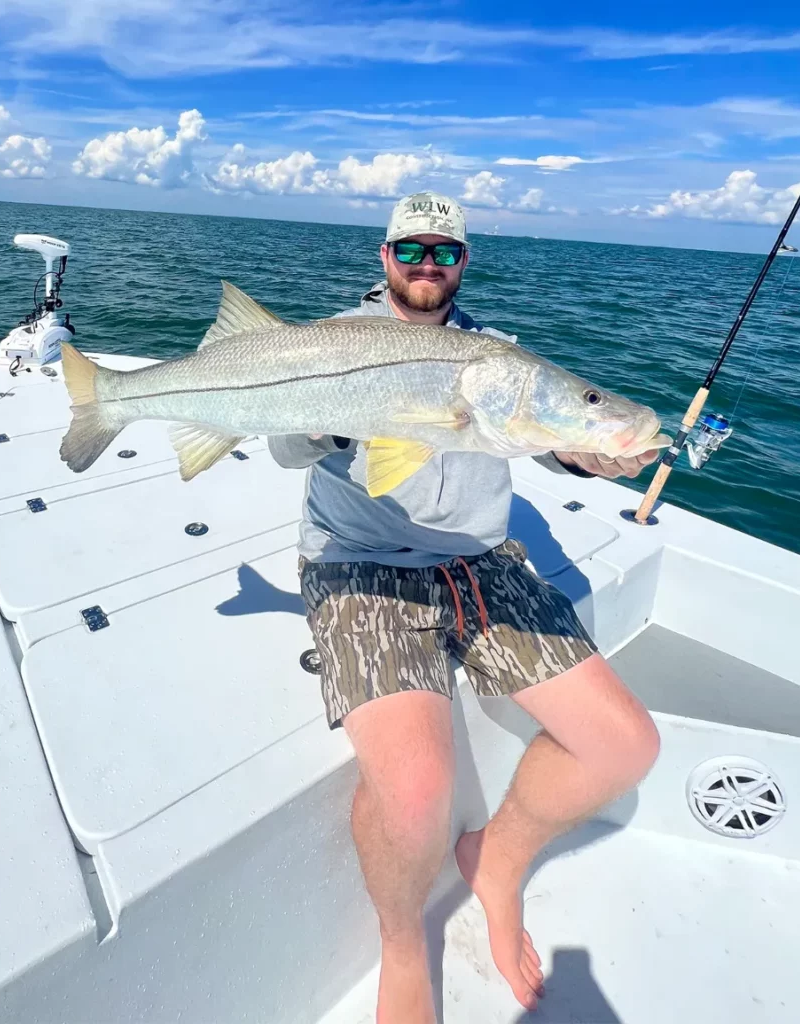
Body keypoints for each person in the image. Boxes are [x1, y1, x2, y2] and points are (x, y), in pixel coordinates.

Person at [267, 192, 661, 1023]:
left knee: (624, 745)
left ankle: (497, 859)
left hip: (480, 563)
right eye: (411, 250)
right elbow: (281, 445)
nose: (426, 267)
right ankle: (406, 945)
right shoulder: (333, 337)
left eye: (444, 253)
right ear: (384, 257)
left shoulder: (500, 360)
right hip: (362, 566)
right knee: (414, 793)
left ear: (464, 263)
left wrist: (595, 451)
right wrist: (339, 419)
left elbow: (552, 434)